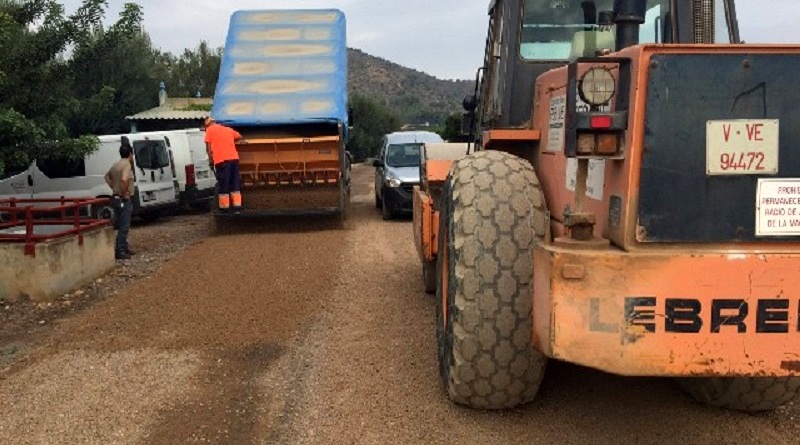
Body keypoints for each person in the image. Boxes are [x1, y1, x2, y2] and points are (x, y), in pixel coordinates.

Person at [203, 117, 245, 212]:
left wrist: (210, 161)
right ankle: (237, 207)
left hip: (221, 161)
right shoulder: (227, 129)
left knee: (223, 183)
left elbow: (208, 148)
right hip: (234, 159)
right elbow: (239, 136)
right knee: (235, 182)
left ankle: (224, 207)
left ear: (207, 125)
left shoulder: (209, 130)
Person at [104, 142, 135, 260]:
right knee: (124, 225)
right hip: (123, 199)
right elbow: (124, 179)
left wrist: (113, 187)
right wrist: (125, 193)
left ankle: (124, 247)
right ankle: (120, 250)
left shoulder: (116, 164)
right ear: (130, 154)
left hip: (115, 198)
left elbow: (106, 176)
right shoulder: (127, 165)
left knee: (121, 223)